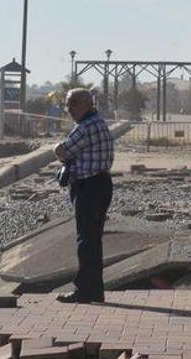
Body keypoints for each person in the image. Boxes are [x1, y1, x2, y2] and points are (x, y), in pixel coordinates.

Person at [53, 88, 114, 303]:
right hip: (101, 184)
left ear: (85, 104)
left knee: (86, 241)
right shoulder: (98, 122)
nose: (69, 110)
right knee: (93, 240)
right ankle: (94, 289)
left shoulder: (85, 127)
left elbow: (63, 151)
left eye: (72, 105)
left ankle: (86, 290)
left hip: (90, 187)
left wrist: (57, 149)